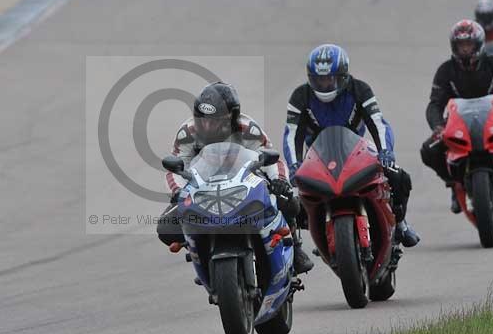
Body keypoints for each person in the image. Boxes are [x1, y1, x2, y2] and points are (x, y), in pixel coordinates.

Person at [158, 81, 314, 274]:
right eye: (202, 119)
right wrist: (178, 192)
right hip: (204, 188)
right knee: (166, 227)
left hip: (245, 182)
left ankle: (295, 246)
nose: (207, 125)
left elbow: (272, 159)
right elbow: (176, 167)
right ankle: (199, 248)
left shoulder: (248, 129)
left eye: (215, 120)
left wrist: (279, 180)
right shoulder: (187, 133)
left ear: (232, 116)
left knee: (289, 202)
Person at [282, 44, 420, 248]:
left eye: (330, 78)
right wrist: (294, 165)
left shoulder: (360, 89)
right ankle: (295, 249)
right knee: (284, 196)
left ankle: (400, 223)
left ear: (343, 76)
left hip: (357, 150)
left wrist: (385, 150)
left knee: (399, 176)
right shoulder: (300, 96)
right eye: (319, 79)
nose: (324, 84)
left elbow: (378, 122)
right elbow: (291, 134)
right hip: (317, 157)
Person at [421, 20, 493, 212]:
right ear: (454, 46)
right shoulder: (445, 70)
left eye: (469, 45)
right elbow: (435, 104)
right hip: (458, 122)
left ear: (479, 44)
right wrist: (438, 127)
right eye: (460, 45)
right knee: (428, 150)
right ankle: (454, 184)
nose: (465, 49)